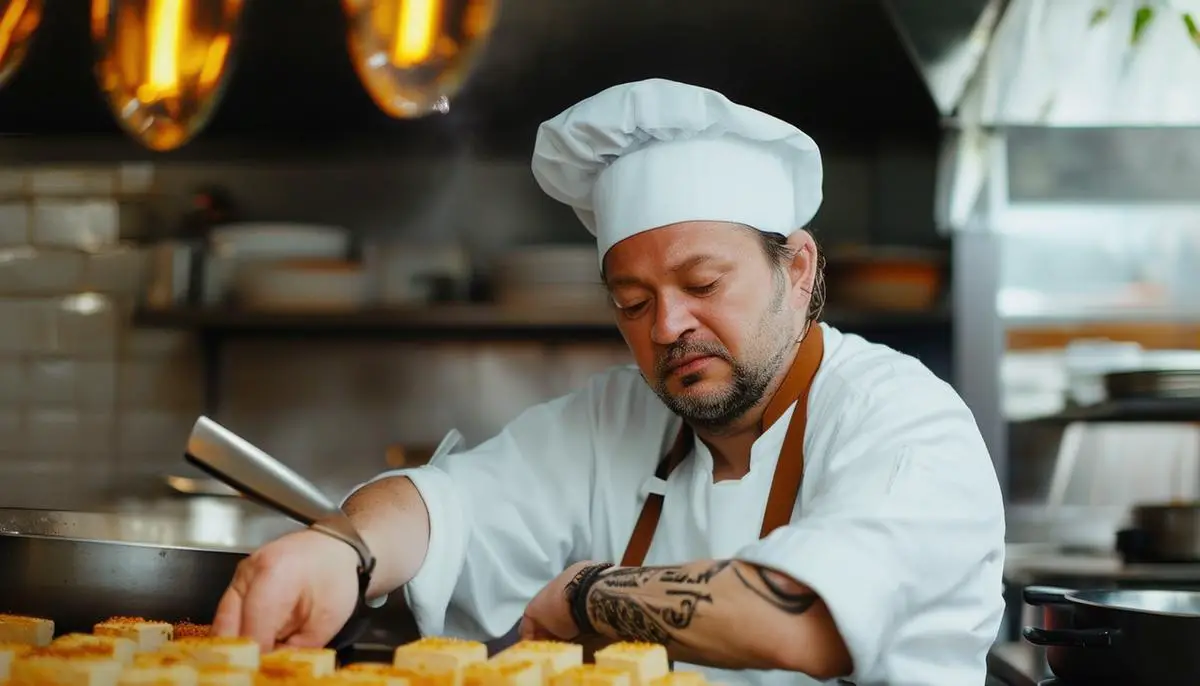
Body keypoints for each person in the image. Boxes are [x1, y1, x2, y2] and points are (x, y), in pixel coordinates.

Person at [211, 78, 1006, 686]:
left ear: (796, 270)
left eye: (702, 284)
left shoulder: (905, 423)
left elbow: (799, 618)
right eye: (633, 301)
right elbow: (445, 502)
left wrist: (585, 594)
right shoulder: (616, 419)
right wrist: (341, 550)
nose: (666, 328)